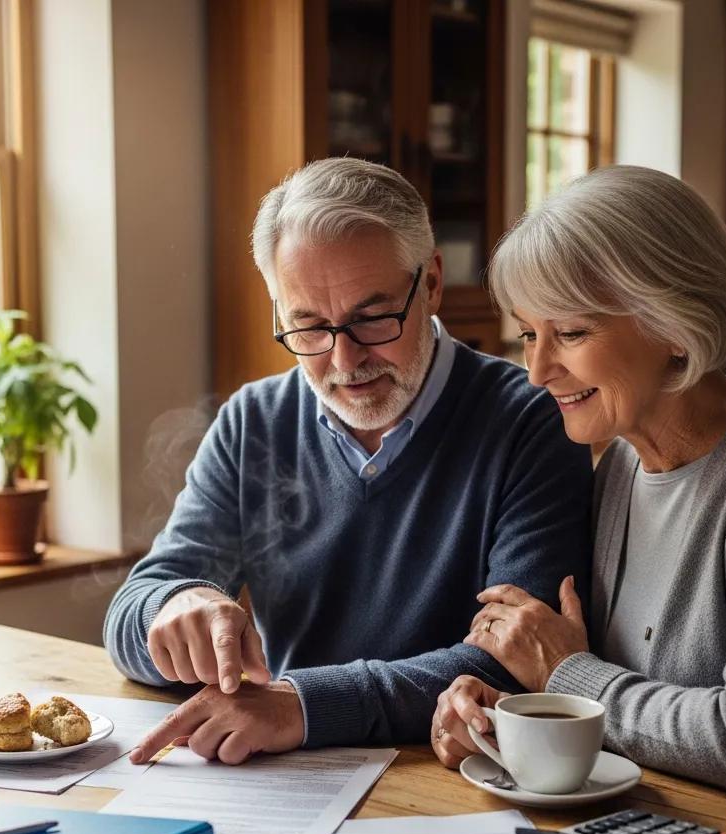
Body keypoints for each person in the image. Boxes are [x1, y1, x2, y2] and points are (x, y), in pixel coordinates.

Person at [104, 157, 592, 766]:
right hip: (278, 770)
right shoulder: (252, 422)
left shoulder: (531, 422)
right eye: (307, 327)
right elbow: (131, 608)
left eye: (371, 317)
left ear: (433, 283)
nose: (343, 360)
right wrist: (175, 606)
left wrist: (302, 706)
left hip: (444, 780)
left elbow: (516, 660)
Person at [431, 164, 726, 802]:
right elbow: (630, 708)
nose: (536, 371)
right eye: (529, 334)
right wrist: (506, 715)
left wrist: (564, 675)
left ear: (673, 322)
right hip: (642, 833)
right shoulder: (619, 462)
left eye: (573, 332)